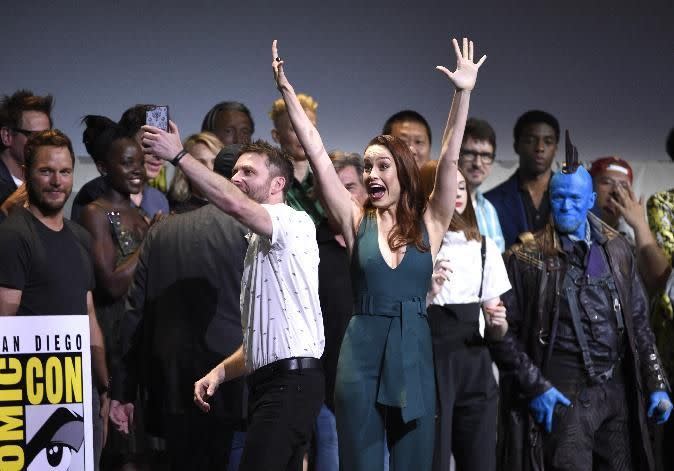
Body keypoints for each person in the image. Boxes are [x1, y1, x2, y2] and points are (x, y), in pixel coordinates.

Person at [272, 37, 485, 470]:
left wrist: (462, 93)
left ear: (402, 173)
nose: (371, 174)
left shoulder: (432, 223)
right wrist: (287, 95)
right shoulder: (354, 221)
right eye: (367, 166)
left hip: (414, 353)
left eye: (381, 165)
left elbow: (448, 159)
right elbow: (315, 149)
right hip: (361, 357)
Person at [142, 107, 325, 471]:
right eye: (235, 170)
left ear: (277, 185)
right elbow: (263, 338)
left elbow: (232, 202)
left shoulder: (291, 221)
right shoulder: (258, 245)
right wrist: (220, 372)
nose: (236, 178)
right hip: (274, 383)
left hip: (290, 385)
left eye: (248, 171)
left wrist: (179, 157)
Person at [490, 133, 672, 471]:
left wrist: (656, 383)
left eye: (575, 199)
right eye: (559, 198)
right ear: (549, 198)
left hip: (616, 391)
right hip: (563, 387)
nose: (566, 207)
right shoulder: (525, 258)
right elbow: (501, 334)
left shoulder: (617, 250)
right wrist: (536, 386)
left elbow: (639, 323)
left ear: (590, 199)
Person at [109, 145, 248, 471]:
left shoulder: (161, 232)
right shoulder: (258, 233)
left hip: (172, 390)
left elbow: (134, 316)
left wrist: (123, 390)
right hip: (239, 389)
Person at [0, 129, 110, 469]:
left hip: (79, 387)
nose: (56, 181)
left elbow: (88, 311)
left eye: (64, 172)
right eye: (46, 171)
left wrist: (104, 385)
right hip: (29, 392)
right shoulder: (14, 235)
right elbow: (4, 319)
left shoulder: (78, 236)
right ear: (27, 172)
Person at [420, 163, 509, 471]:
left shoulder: (484, 249)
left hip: (475, 365)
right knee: (432, 460)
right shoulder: (413, 247)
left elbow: (497, 329)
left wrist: (499, 323)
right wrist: (427, 292)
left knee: (480, 459)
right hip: (430, 363)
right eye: (447, 186)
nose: (456, 193)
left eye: (461, 187)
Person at [78, 115, 154, 470]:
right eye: (127, 163)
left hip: (142, 334)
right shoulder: (96, 212)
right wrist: (152, 242)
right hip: (116, 334)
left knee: (144, 443)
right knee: (120, 443)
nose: (137, 170)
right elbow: (109, 282)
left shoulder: (139, 213)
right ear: (105, 167)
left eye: (139, 162)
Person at [71, 105, 169, 222]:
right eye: (148, 143)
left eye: (163, 145)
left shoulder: (159, 199)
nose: (158, 154)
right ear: (126, 143)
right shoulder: (93, 194)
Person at [590, 156, 670, 296]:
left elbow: (661, 286)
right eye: (607, 182)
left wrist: (640, 225)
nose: (615, 191)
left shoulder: (632, 245)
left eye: (623, 186)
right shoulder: (570, 237)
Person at [485, 110, 560, 249]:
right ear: (516, 146)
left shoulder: (576, 198)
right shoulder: (490, 202)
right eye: (530, 141)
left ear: (556, 148)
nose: (540, 148)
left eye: (548, 141)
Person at [269, 93, 325, 224]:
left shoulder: (324, 185)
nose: (304, 135)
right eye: (294, 128)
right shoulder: (267, 186)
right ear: (276, 136)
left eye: (310, 128)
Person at [458, 117, 505, 252]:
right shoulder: (440, 207)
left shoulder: (489, 210)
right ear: (457, 154)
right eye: (470, 154)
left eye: (485, 155)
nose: (477, 164)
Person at [0, 90, 52, 205]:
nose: (43, 143)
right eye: (34, 136)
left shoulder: (46, 185)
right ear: (7, 136)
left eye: (47, 136)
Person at [168, 131, 224, 213]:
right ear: (183, 170)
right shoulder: (172, 211)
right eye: (200, 163)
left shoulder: (236, 205)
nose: (210, 168)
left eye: (214, 161)